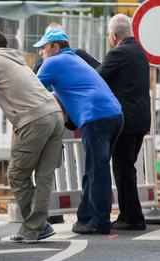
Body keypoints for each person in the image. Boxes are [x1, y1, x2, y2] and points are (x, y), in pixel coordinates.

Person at [34, 28, 123, 234]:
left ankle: (100, 222)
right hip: (115, 114)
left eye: (44, 48)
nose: (41, 53)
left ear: (55, 47)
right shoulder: (74, 58)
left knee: (97, 172)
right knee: (94, 169)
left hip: (96, 116)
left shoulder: (52, 63)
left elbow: (32, 90)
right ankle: (85, 217)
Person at [0, 31, 64, 243]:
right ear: (7, 44)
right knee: (44, 176)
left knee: (18, 173)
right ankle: (39, 226)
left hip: (34, 120)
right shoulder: (16, 59)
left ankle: (35, 227)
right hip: (55, 115)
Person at [97, 14, 151, 231]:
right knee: (126, 167)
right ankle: (127, 214)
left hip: (126, 122)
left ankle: (133, 217)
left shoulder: (118, 53)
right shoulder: (139, 51)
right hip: (140, 119)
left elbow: (98, 77)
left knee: (123, 168)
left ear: (113, 35)